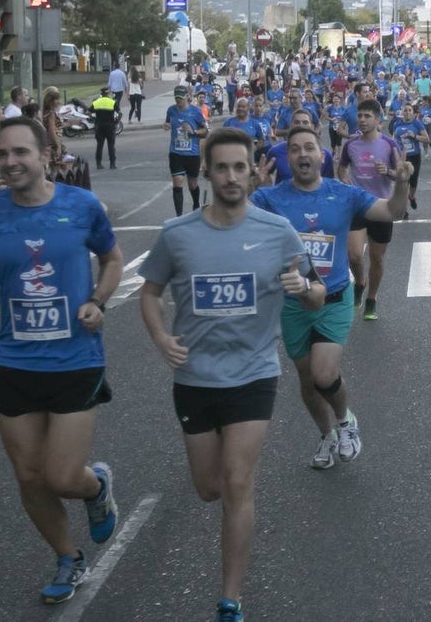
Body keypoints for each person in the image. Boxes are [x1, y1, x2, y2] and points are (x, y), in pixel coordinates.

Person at [139, 128, 326, 622]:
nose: (230, 176)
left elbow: (318, 294)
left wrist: (302, 285)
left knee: (238, 482)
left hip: (253, 373)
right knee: (209, 487)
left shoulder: (276, 230)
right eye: (220, 167)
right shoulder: (178, 234)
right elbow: (149, 293)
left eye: (239, 167)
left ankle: (230, 598)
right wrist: (161, 338)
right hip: (195, 377)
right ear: (207, 172)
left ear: (254, 171)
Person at [0, 116, 124, 605]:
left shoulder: (81, 207)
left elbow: (113, 259)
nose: (10, 162)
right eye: (2, 154)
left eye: (21, 152)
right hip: (16, 360)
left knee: (62, 476)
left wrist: (99, 302)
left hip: (75, 358)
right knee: (28, 476)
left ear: (46, 156)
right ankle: (68, 557)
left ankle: (95, 485)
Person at [253, 123, 410, 469]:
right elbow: (237, 225)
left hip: (334, 299)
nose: (302, 154)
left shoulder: (344, 193)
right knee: (308, 381)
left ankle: (345, 421)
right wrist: (249, 189)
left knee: (324, 374)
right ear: (288, 158)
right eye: (295, 149)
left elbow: (391, 212)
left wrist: (401, 184)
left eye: (309, 147)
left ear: (322, 154)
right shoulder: (270, 197)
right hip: (292, 303)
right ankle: (327, 435)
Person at [338, 99, 403, 320]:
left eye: (367, 116)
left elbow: (401, 174)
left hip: (382, 206)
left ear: (378, 120)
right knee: (354, 255)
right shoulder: (351, 145)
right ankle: (360, 281)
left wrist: (388, 172)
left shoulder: (389, 144)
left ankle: (371, 298)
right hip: (357, 204)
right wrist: (345, 180)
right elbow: (342, 168)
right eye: (360, 116)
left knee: (377, 258)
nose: (362, 120)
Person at [163, 85, 208, 215]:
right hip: (176, 153)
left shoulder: (195, 112)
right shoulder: (171, 110)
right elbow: (168, 123)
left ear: (187, 98)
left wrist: (193, 131)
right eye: (176, 98)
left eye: (181, 99)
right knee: (177, 183)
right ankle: (179, 216)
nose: (178, 101)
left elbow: (205, 132)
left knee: (192, 184)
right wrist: (166, 125)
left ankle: (195, 204)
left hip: (192, 154)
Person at [90, 87, 118, 170]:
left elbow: (89, 111)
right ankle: (112, 164)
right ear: (108, 93)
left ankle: (98, 164)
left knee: (99, 145)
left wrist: (94, 119)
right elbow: (118, 112)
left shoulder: (96, 102)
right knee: (111, 145)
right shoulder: (112, 102)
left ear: (101, 94)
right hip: (110, 125)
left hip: (99, 125)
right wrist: (115, 122)